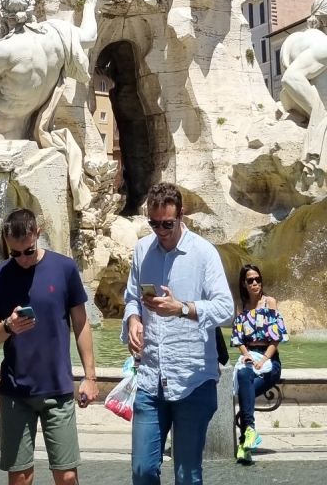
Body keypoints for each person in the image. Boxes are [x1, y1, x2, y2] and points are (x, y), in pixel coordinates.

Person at [123, 181, 234, 485]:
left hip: (192, 380)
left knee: (187, 475)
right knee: (143, 471)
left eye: (167, 224)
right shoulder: (142, 250)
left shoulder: (204, 253)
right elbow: (132, 297)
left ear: (181, 214)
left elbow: (226, 309)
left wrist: (183, 308)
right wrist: (133, 319)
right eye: (154, 223)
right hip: (151, 379)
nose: (160, 230)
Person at [0, 208, 98, 485]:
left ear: (38, 234)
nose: (22, 259)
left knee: (67, 475)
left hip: (58, 389)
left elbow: (81, 324)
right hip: (15, 391)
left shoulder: (64, 268)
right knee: (21, 476)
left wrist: (90, 377)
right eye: (15, 254)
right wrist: (8, 327)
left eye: (28, 251)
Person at [230, 264, 287, 464]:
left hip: (270, 358)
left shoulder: (269, 302)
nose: (255, 283)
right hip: (250, 356)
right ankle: (250, 434)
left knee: (245, 393)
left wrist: (263, 359)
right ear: (244, 284)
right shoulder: (241, 306)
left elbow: (276, 338)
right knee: (244, 375)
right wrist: (246, 355)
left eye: (257, 279)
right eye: (250, 280)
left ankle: (245, 439)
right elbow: (238, 338)